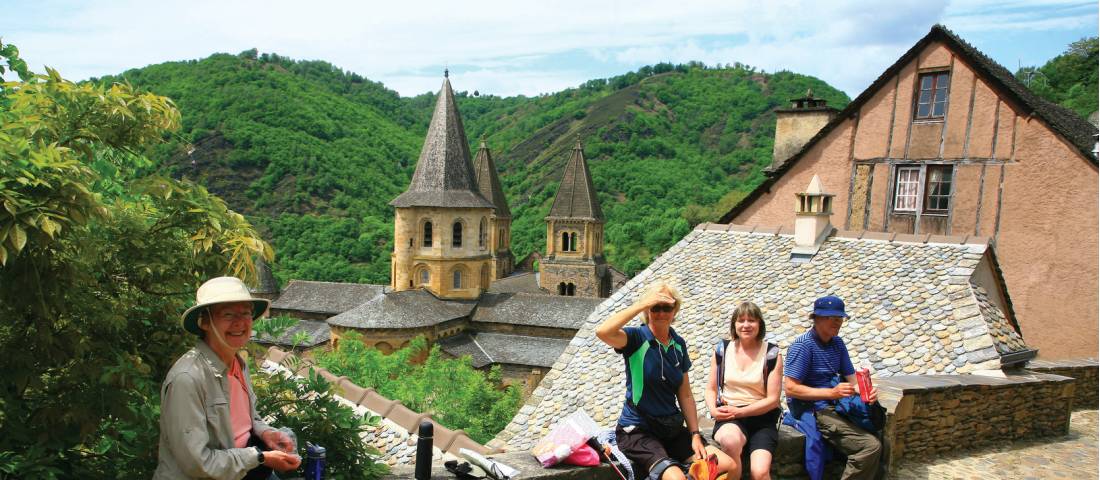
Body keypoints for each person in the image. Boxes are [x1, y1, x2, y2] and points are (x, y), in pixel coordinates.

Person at [155, 276, 302, 479]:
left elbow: (247, 420)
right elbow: (198, 464)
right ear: (204, 322)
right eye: (228, 314)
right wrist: (260, 458)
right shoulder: (188, 378)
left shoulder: (237, 363)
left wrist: (266, 434)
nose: (240, 323)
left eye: (245, 313)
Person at [595, 282, 732, 480]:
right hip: (638, 430)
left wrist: (695, 434)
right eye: (655, 307)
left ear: (674, 310)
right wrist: (642, 304)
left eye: (666, 307)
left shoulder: (678, 344)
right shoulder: (636, 338)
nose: (661, 312)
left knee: (728, 466)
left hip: (671, 429)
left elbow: (684, 394)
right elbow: (603, 332)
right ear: (647, 310)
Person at [783, 295, 881, 480]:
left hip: (835, 404)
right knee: (870, 446)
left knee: (877, 430)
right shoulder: (803, 346)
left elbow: (852, 380)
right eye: (831, 317)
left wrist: (867, 391)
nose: (837, 322)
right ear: (817, 319)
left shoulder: (837, 343)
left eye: (839, 318)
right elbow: (791, 389)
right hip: (812, 408)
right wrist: (832, 393)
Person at [704, 302, 782, 480]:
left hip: (762, 418)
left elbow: (773, 399)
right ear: (734, 325)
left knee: (760, 472)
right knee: (730, 443)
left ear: (759, 324)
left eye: (751, 320)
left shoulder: (771, 354)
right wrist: (713, 410)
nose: (746, 325)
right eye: (741, 321)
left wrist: (740, 412)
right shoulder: (722, 350)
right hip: (729, 416)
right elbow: (710, 388)